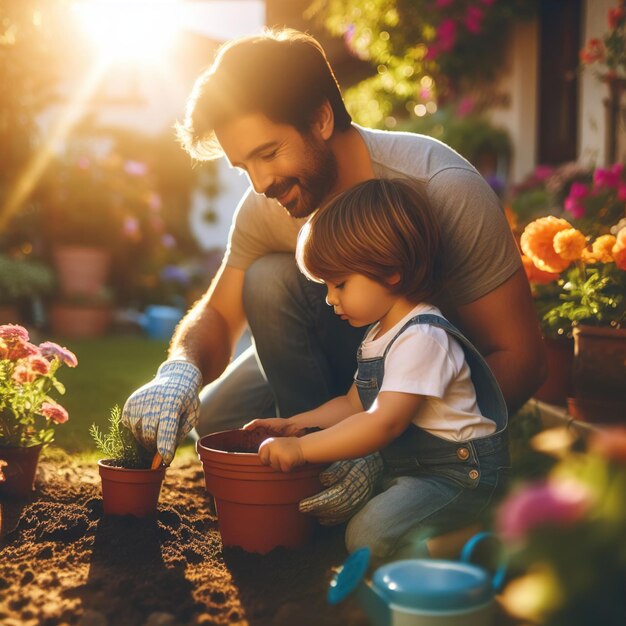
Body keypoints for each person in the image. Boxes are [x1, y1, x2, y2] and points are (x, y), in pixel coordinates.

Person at [122, 28, 544, 524]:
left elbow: (521, 358)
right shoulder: (271, 203)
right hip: (354, 348)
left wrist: (392, 442)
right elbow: (220, 311)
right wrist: (180, 371)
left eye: (268, 153)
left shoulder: (442, 191)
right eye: (244, 167)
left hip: (426, 374)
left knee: (269, 279)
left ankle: (340, 467)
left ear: (321, 118)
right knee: (216, 417)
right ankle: (326, 462)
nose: (260, 183)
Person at [243, 178, 509, 559]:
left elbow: (384, 422)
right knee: (355, 526)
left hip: (458, 478)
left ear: (390, 270)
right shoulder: (380, 334)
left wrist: (302, 449)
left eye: (339, 284)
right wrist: (295, 424)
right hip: (417, 471)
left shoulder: (422, 338)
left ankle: (483, 539)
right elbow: (353, 406)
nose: (331, 299)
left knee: (367, 537)